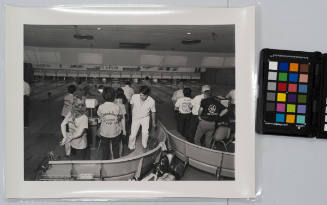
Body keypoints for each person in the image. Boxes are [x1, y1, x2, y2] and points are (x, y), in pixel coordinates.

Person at [97, 87, 124, 160]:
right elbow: (120, 117)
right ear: (114, 96)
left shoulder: (100, 107)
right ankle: (116, 163)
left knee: (105, 151)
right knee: (116, 150)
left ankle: (105, 164)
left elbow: (100, 117)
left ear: (103, 96)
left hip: (104, 132)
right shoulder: (117, 107)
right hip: (115, 132)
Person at [60, 95, 88, 160]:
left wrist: (65, 137)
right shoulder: (84, 117)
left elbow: (62, 124)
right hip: (81, 145)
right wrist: (69, 138)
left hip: (72, 143)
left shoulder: (70, 113)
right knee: (79, 164)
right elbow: (79, 133)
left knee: (74, 161)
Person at [128, 86, 156, 150]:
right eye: (141, 95)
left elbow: (153, 111)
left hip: (145, 118)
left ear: (147, 95)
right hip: (136, 118)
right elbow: (132, 104)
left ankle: (144, 145)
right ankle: (131, 146)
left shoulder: (152, 101)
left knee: (145, 133)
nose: (141, 97)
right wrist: (133, 114)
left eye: (144, 96)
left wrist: (154, 122)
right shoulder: (134, 96)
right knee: (133, 134)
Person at [115, 88, 127, 154]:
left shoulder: (112, 103)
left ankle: (112, 157)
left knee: (112, 142)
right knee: (120, 142)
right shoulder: (122, 105)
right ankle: (119, 155)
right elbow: (123, 118)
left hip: (112, 126)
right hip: (119, 126)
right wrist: (124, 130)